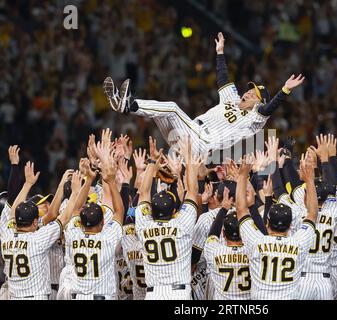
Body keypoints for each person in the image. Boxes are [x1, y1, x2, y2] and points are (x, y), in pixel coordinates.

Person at [103, 32, 305, 156]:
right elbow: (223, 79)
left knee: (172, 108)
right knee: (160, 113)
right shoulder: (233, 100)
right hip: (184, 137)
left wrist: (284, 90)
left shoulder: (254, 119)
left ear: (257, 103)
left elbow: (269, 108)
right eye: (249, 90)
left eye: (253, 95)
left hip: (201, 143)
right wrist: (220, 53)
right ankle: (123, 103)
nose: (248, 93)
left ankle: (127, 105)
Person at [235, 155, 318, 299]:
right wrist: (310, 180)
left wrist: (242, 176)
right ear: (290, 225)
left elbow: (241, 210)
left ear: (267, 224)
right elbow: (312, 213)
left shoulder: (257, 241)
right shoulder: (298, 242)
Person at [135, 136, 202, 300]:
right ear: (174, 210)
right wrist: (188, 160)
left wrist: (152, 162)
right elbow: (193, 191)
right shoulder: (181, 224)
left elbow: (143, 193)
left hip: (153, 294)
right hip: (179, 293)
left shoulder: (144, 225)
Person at [0, 162, 73, 300]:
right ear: (34, 221)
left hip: (15, 294)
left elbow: (12, 215)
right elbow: (60, 218)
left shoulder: (7, 234)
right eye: (42, 205)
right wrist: (74, 192)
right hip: (36, 294)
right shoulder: (38, 237)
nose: (47, 206)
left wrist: (27, 184)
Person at [65, 150, 125, 300]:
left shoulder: (73, 234)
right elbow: (119, 211)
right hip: (101, 296)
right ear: (103, 222)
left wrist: (89, 180)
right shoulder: (107, 238)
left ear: (81, 222)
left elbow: (76, 209)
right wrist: (111, 182)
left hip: (78, 296)